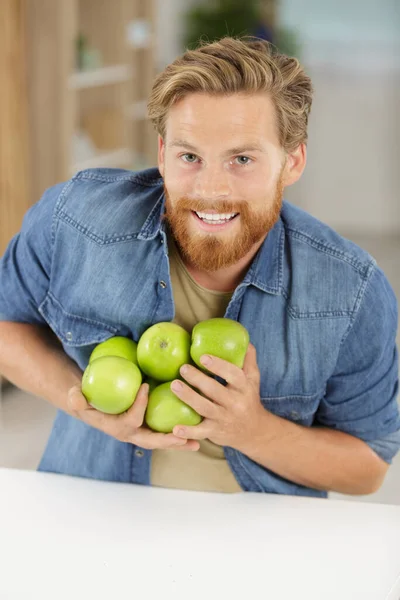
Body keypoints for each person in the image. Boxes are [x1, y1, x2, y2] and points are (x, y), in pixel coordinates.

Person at [0, 37, 399, 497]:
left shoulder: (349, 289)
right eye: (190, 157)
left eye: (242, 159)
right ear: (162, 155)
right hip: (95, 513)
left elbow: (368, 466)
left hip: (258, 538)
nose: (210, 189)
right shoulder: (75, 219)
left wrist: (250, 429)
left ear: (292, 162)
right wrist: (81, 397)